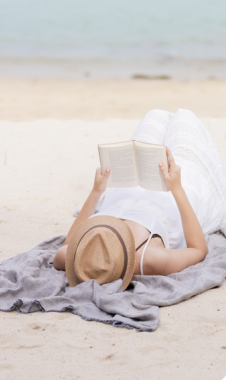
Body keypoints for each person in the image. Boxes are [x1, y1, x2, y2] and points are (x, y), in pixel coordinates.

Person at [53, 109, 226, 290]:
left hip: (124, 191)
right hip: (170, 197)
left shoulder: (74, 259)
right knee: (184, 117)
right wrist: (177, 188)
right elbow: (199, 250)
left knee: (155, 115)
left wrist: (96, 191)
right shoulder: (148, 260)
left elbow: (69, 244)